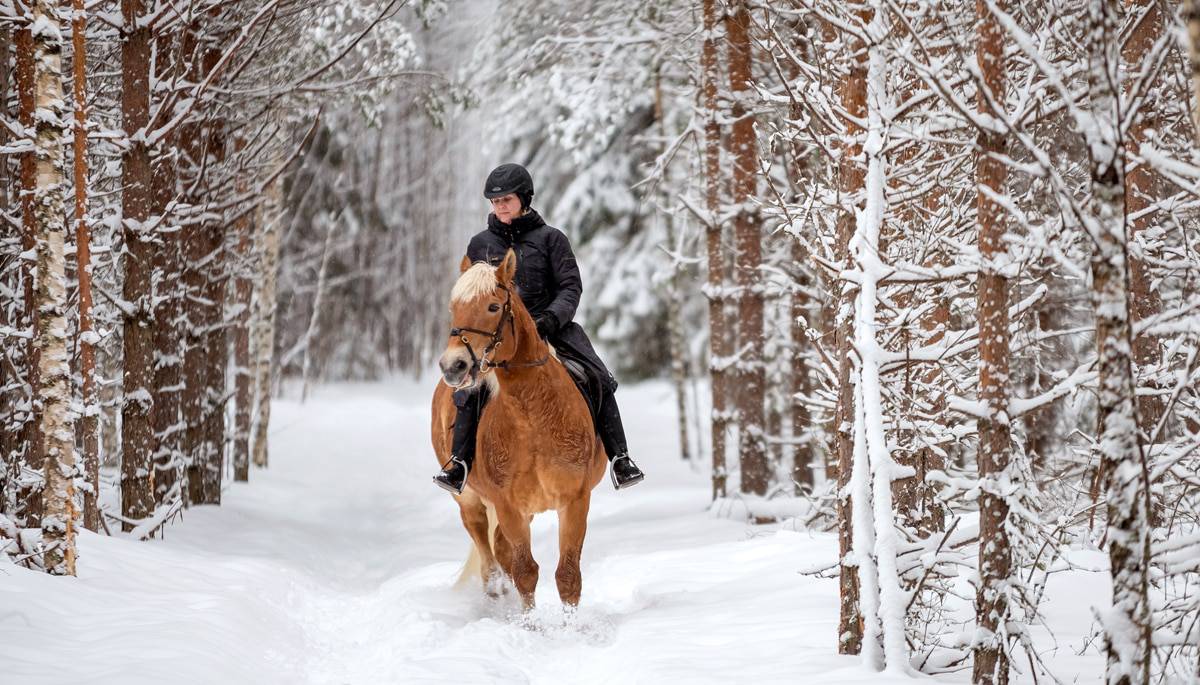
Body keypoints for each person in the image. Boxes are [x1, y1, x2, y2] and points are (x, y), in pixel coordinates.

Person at [434, 163, 646, 495]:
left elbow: (570, 288)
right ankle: (459, 464)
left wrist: (548, 320)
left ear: (524, 199)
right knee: (468, 390)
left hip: (551, 329)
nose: (500, 206)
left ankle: (621, 458)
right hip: (497, 339)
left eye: (506, 199)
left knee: (598, 377)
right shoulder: (480, 244)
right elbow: (473, 297)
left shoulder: (552, 240)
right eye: (495, 201)